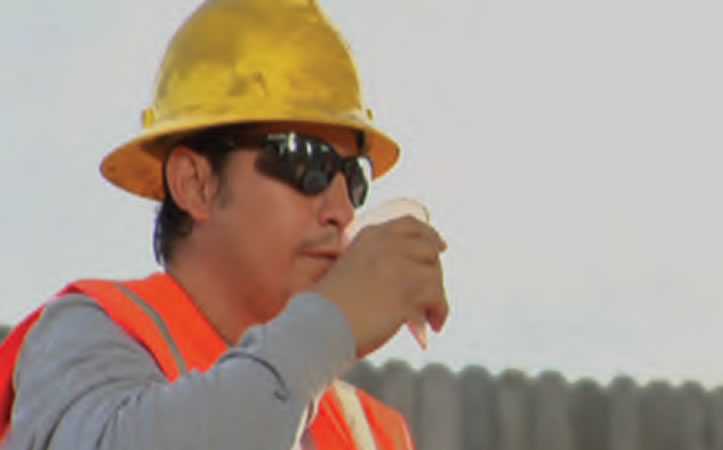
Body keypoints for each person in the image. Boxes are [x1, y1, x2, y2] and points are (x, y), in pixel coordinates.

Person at [0, 0, 449, 449]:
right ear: (195, 184)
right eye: (303, 161)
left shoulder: (364, 433)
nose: (341, 210)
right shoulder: (86, 337)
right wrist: (331, 326)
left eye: (353, 177)